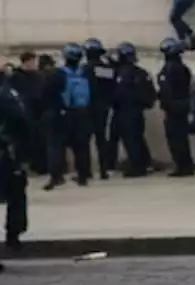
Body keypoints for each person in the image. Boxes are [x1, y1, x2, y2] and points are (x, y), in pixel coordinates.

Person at [42, 44, 92, 191]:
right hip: (82, 113)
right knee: (81, 146)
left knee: (55, 146)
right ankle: (83, 175)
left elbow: (46, 94)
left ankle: (56, 176)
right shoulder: (85, 73)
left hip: (60, 114)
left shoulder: (56, 74)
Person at [0, 69, 30, 263]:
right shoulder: (6, 93)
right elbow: (20, 120)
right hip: (4, 153)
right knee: (17, 192)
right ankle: (13, 235)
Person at [113, 42, 156, 177]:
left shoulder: (123, 73)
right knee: (137, 137)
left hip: (126, 111)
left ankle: (137, 167)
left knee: (130, 139)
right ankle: (145, 162)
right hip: (138, 111)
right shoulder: (141, 72)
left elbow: (119, 93)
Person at [157, 38, 195, 177]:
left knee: (176, 138)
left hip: (174, 108)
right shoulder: (182, 68)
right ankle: (184, 165)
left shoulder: (170, 68)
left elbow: (167, 90)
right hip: (180, 106)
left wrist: (166, 105)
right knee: (180, 138)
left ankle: (182, 166)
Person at [82, 39, 115, 179]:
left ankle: (86, 171)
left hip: (86, 107)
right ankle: (103, 170)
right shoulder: (104, 69)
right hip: (102, 107)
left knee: (84, 140)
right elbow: (111, 84)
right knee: (101, 140)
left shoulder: (83, 69)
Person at [8, 53, 43, 177]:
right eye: (32, 62)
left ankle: (37, 165)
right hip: (22, 114)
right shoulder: (15, 77)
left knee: (36, 140)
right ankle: (22, 165)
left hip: (37, 113)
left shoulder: (38, 76)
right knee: (21, 143)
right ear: (25, 62)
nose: (34, 64)